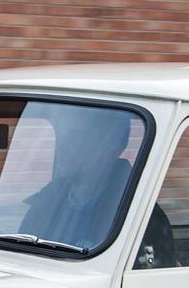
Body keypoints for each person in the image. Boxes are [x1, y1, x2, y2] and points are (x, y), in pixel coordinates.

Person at [18, 107, 134, 250]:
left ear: (110, 148)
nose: (64, 146)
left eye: (75, 137)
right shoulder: (45, 205)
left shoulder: (136, 217)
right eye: (63, 137)